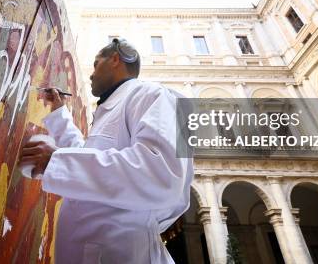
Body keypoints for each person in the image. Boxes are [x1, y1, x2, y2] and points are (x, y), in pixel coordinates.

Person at [20, 38, 193, 263]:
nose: (91, 74)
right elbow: (88, 160)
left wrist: (56, 161)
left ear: (115, 59)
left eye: (96, 63)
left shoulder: (154, 95)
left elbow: (161, 173)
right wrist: (60, 115)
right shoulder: (112, 109)